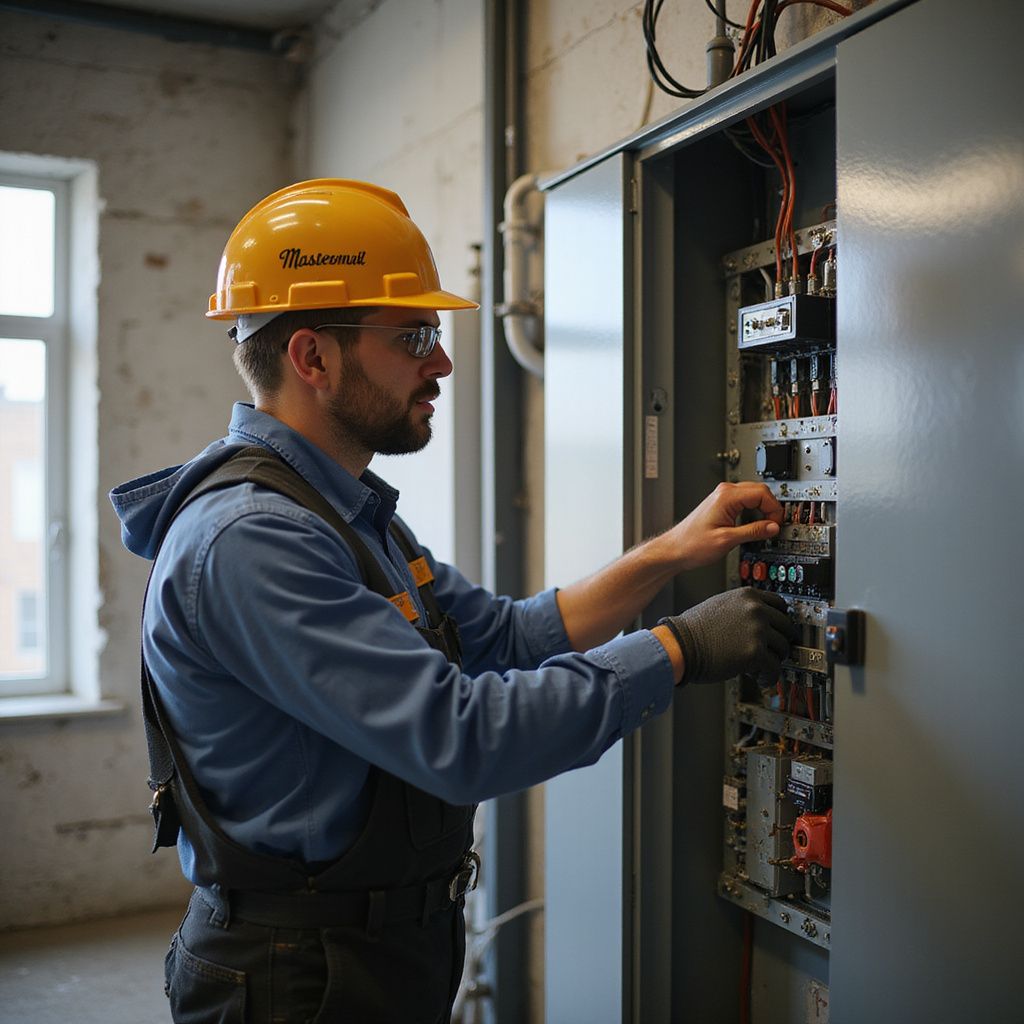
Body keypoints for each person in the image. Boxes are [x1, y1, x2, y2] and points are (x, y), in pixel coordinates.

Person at [110, 178, 796, 1024]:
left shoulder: (344, 513)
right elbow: (463, 737)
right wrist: (679, 649)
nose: (440, 363)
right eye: (414, 336)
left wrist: (677, 549)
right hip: (296, 975)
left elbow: (506, 636)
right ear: (312, 358)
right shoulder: (255, 541)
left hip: (376, 947)